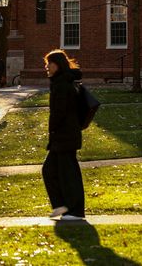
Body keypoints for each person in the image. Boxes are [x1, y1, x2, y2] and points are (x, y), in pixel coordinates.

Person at [42, 49, 85, 221]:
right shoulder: (64, 81)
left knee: (67, 173)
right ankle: (62, 206)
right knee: (52, 171)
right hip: (65, 135)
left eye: (49, 64)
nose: (47, 67)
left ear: (57, 65)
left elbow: (59, 112)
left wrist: (52, 128)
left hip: (64, 135)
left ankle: (73, 210)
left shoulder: (62, 84)